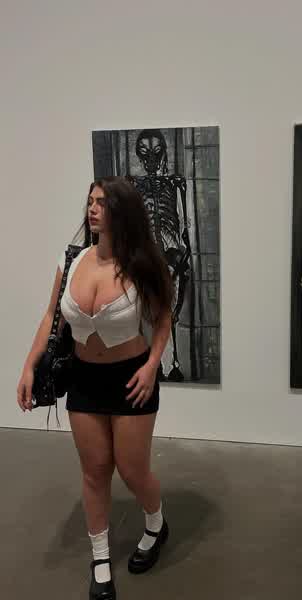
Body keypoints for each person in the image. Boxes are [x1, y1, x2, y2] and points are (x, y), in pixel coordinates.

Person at [17, 176, 173, 600]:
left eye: (102, 202)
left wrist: (152, 366)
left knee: (133, 469)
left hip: (132, 378)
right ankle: (101, 559)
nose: (93, 208)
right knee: (95, 470)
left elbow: (163, 318)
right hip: (84, 378)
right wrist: (29, 366)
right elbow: (51, 317)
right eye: (90, 201)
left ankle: (156, 523)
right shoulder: (71, 260)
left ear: (122, 210)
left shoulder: (142, 262)